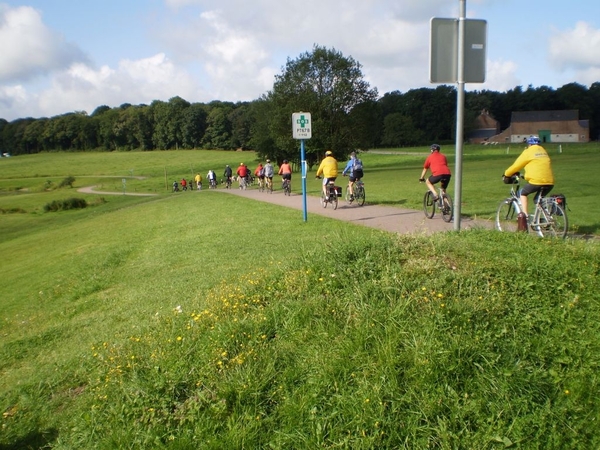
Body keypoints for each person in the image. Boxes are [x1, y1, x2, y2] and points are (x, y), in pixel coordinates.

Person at [503, 135, 554, 216]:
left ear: (529, 144)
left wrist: (506, 174)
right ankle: (547, 217)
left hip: (536, 181)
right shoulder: (543, 151)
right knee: (538, 200)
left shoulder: (528, 152)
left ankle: (525, 216)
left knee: (522, 194)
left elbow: (516, 166)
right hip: (550, 182)